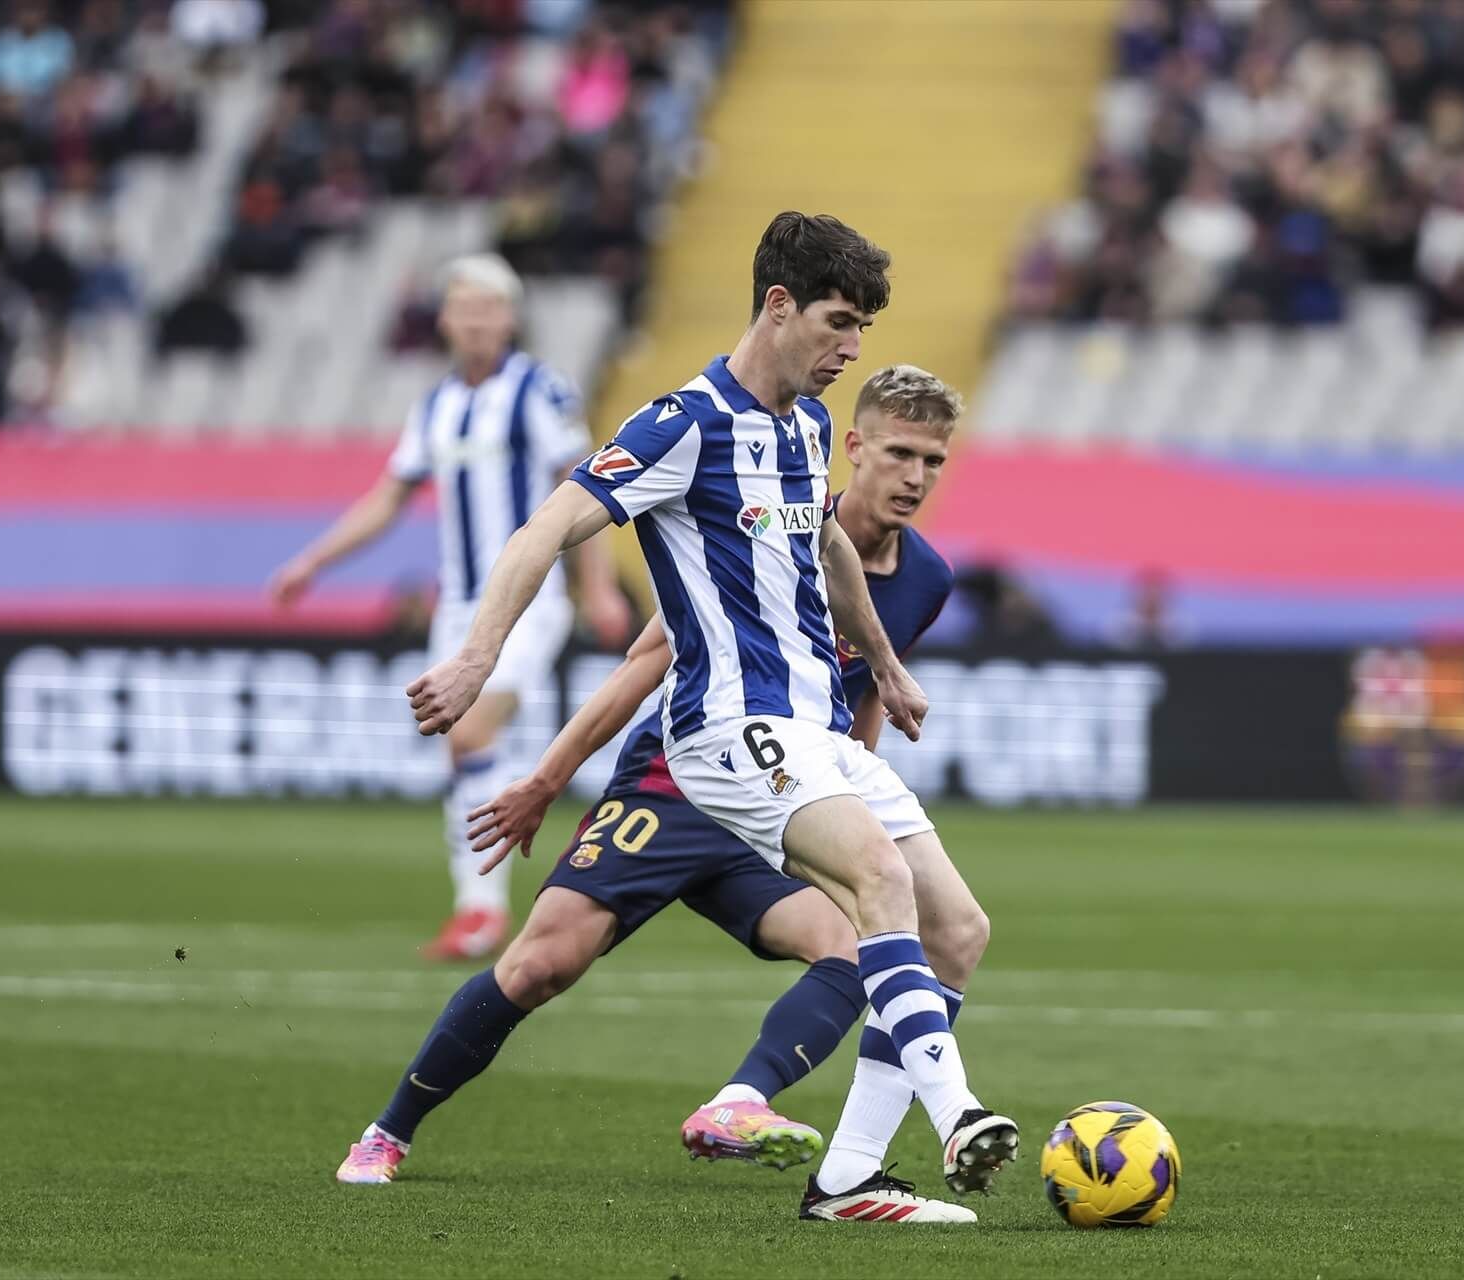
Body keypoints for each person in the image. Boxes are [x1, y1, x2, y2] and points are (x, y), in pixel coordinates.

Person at [400, 212, 1018, 1212]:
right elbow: (549, 523)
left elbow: (824, 548)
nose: (853, 349)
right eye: (839, 322)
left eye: (861, 328)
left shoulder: (808, 426)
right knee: (877, 879)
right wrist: (479, 655)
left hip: (811, 730)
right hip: (728, 733)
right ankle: (958, 1115)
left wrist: (890, 666)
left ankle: (848, 1177)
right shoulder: (681, 424)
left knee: (959, 928)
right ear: (778, 306)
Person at [269, 253, 630, 958]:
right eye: (463, 307)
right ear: (443, 319)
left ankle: (482, 912)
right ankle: (478, 905)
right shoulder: (435, 404)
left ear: (511, 318)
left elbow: (582, 486)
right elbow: (390, 495)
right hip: (457, 605)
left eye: (488, 308)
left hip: (529, 600)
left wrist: (597, 585)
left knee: (470, 736)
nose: (475, 321)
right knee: (461, 750)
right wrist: (313, 561)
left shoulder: (540, 391)